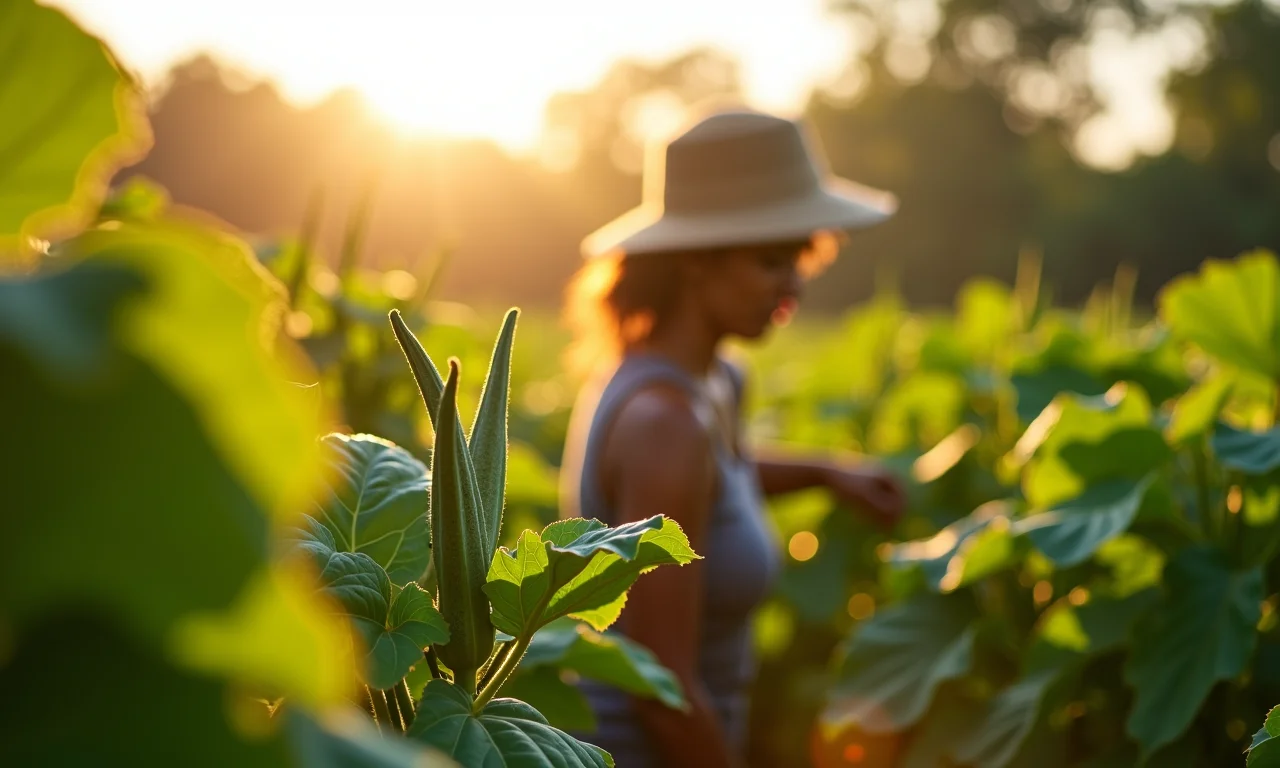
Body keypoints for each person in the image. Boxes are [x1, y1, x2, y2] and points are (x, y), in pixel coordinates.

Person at [558, 107, 907, 768]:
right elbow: (660, 690)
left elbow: (724, 477)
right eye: (772, 259)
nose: (795, 284)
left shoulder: (713, 380)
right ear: (694, 261)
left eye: (800, 255)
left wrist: (828, 473)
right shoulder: (664, 424)